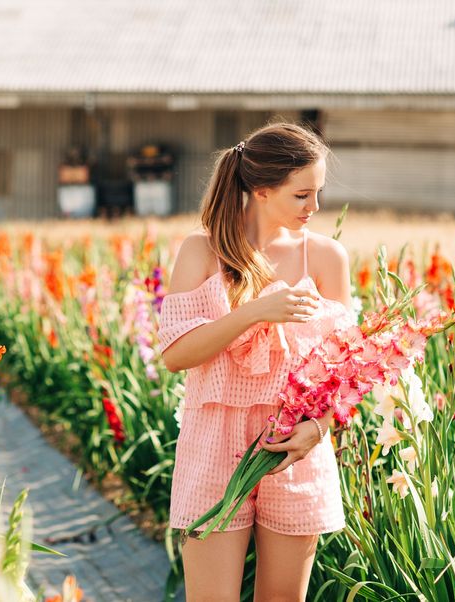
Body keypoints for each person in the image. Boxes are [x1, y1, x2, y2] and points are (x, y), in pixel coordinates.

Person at [157, 122, 357, 601]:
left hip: (293, 446)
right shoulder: (202, 250)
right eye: (302, 195)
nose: (315, 208)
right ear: (263, 190)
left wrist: (321, 427)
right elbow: (175, 355)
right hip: (214, 442)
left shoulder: (327, 258)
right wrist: (254, 312)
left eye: (318, 193)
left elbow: (349, 369)